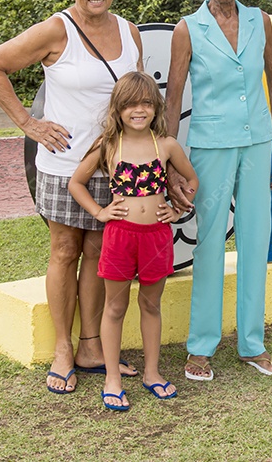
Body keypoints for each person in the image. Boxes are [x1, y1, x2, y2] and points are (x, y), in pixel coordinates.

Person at [0, 0, 143, 394]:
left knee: (98, 254)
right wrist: (29, 124)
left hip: (114, 166)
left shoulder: (129, 32)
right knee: (65, 251)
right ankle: (63, 350)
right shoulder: (56, 29)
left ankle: (91, 347)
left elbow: (138, 96)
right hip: (63, 164)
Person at [164, 0, 272, 381]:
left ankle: (252, 344)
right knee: (211, 243)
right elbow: (173, 99)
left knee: (256, 241)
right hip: (210, 148)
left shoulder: (260, 21)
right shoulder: (188, 28)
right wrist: (167, 163)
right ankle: (201, 346)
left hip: (258, 143)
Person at [68, 71, 198, 410]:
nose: (138, 111)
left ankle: (151, 373)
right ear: (118, 109)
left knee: (151, 305)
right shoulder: (108, 145)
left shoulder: (165, 145)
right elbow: (76, 183)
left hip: (156, 237)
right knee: (114, 307)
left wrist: (177, 209)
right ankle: (112, 377)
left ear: (155, 107)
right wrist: (99, 213)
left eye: (145, 104)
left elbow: (191, 179)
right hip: (120, 236)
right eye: (129, 105)